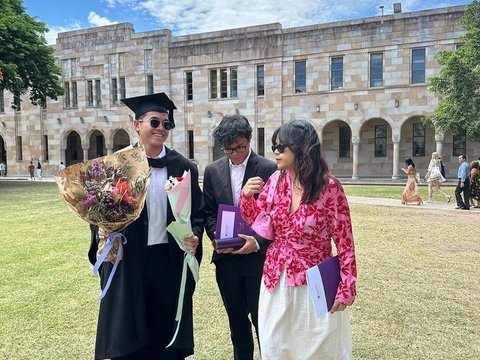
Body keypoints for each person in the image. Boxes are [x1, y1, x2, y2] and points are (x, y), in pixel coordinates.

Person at [88, 92, 204, 360]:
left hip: (168, 259)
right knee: (130, 329)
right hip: (130, 259)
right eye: (155, 122)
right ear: (137, 124)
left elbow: (196, 213)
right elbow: (99, 212)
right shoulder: (118, 166)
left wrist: (194, 235)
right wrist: (103, 233)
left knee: (166, 330)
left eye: (167, 124)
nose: (161, 129)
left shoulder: (184, 168)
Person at [239, 119, 357, 359]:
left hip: (314, 282)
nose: (275, 152)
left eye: (281, 147)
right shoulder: (275, 181)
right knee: (275, 346)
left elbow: (344, 241)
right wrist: (246, 198)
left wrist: (347, 287)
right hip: (275, 279)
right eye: (274, 146)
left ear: (301, 148)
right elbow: (262, 225)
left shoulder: (329, 188)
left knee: (315, 349)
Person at [203, 114, 276, 360]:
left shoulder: (269, 169)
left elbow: (275, 215)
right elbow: (209, 212)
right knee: (237, 323)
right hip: (227, 260)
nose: (235, 153)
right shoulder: (212, 171)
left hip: (259, 260)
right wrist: (216, 238)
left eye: (240, 147)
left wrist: (256, 242)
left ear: (249, 139)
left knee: (262, 321)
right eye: (228, 149)